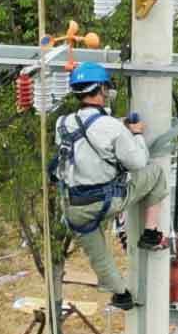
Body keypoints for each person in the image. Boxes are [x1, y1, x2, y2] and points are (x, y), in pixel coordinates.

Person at [52, 62, 166, 311]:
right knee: (156, 173)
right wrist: (135, 134)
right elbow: (138, 162)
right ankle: (150, 232)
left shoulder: (62, 124)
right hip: (108, 200)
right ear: (101, 89)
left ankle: (121, 294)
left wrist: (118, 128)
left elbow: (86, 141)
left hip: (74, 206)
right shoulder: (112, 127)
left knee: (98, 255)